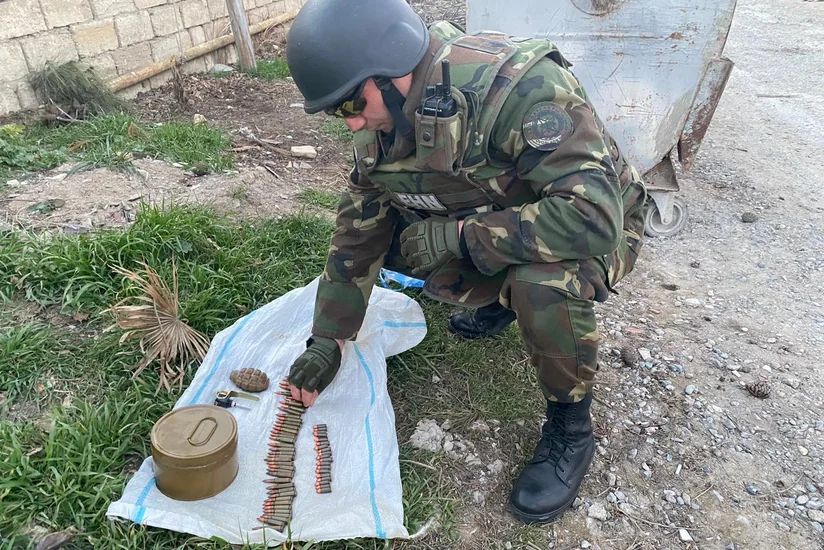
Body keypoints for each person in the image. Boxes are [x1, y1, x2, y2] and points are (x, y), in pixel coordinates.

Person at [284, 0, 648, 524]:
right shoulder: (380, 118)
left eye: (349, 106)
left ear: (389, 71)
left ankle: (572, 428)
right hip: (507, 208)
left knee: (541, 284)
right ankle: (503, 303)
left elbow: (593, 218)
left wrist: (458, 237)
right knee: (396, 239)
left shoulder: (520, 90)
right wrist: (328, 337)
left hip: (600, 223)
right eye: (339, 112)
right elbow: (358, 227)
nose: (351, 124)